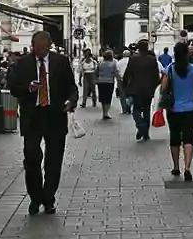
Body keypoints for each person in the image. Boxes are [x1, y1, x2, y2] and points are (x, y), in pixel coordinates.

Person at [7, 30, 78, 215]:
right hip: (33, 116)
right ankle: (35, 197)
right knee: (31, 159)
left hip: (55, 115)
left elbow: (71, 86)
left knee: (53, 161)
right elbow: (13, 88)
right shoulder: (22, 64)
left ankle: (49, 198)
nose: (37, 51)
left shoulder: (60, 62)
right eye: (34, 47)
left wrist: (71, 101)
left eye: (40, 48)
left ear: (48, 46)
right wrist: (27, 88)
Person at [161, 41, 193, 181]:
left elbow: (163, 88)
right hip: (190, 109)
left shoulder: (169, 69)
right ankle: (187, 168)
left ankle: (176, 167)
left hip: (174, 110)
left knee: (174, 139)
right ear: (187, 54)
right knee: (188, 139)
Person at [123, 39, 161, 141]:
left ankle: (141, 126)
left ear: (138, 48)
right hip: (148, 89)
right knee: (147, 111)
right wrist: (156, 89)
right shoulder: (152, 59)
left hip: (136, 89)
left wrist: (124, 86)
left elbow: (128, 73)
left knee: (136, 110)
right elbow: (156, 76)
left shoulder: (133, 59)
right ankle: (146, 133)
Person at [95, 50, 118, 119]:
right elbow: (115, 72)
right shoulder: (113, 64)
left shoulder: (100, 63)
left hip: (101, 81)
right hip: (109, 82)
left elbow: (96, 72)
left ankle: (104, 112)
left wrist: (96, 79)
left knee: (102, 97)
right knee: (108, 97)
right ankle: (106, 113)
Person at [115, 48, 132, 114]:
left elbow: (116, 72)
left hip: (121, 79)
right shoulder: (132, 61)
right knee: (131, 94)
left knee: (122, 95)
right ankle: (129, 104)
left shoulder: (118, 62)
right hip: (130, 79)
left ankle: (124, 109)